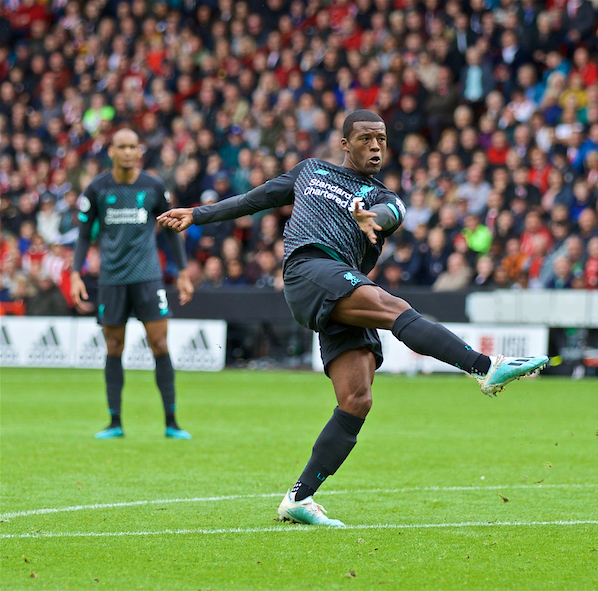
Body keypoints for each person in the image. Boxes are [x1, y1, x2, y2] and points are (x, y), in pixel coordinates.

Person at [158, 110, 548, 526]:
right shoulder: (310, 171)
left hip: (343, 285)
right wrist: (197, 214)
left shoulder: (385, 197)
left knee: (357, 399)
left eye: (381, 139)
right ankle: (485, 368)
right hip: (309, 270)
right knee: (394, 308)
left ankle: (298, 498)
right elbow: (256, 199)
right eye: (365, 139)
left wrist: (371, 219)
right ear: (345, 143)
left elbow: (390, 216)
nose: (376, 146)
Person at [70, 129, 195, 440]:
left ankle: (172, 422)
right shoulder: (97, 188)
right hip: (111, 278)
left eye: (132, 147)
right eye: (121, 147)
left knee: (160, 344)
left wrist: (181, 272)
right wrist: (75, 272)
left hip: (148, 276)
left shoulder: (152, 186)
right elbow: (84, 235)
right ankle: (115, 422)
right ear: (111, 151)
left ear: (139, 151)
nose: (127, 152)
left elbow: (169, 230)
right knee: (114, 346)